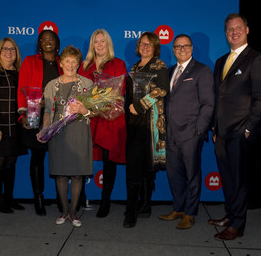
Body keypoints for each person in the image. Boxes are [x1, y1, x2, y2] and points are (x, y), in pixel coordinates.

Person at [210, 13, 261, 240]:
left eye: (238, 28)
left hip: (240, 133)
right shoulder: (220, 62)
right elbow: (219, 99)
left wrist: (248, 129)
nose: (233, 32)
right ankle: (230, 214)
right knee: (227, 178)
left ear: (247, 30)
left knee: (240, 180)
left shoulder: (257, 59)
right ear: (225, 33)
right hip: (221, 134)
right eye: (229, 29)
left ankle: (237, 225)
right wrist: (215, 129)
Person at [158, 34, 214, 229]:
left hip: (191, 133)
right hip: (170, 133)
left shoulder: (202, 71)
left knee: (192, 174)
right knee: (174, 174)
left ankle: (190, 213)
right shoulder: (170, 71)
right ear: (173, 50)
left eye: (185, 46)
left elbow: (208, 104)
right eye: (177, 47)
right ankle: (178, 208)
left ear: (192, 48)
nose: (181, 50)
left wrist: (199, 130)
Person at [37, 45, 93, 227]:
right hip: (58, 133)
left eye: (74, 62)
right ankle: (63, 211)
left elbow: (94, 112)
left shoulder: (87, 84)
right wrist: (44, 130)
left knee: (77, 175)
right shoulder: (51, 85)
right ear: (61, 63)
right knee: (60, 174)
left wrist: (85, 110)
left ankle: (74, 212)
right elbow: (46, 112)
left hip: (79, 132)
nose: (70, 65)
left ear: (79, 64)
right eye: (67, 61)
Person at [78, 29, 127, 218]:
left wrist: (98, 100)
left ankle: (105, 201)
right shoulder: (85, 66)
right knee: (82, 156)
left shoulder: (118, 63)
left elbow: (118, 92)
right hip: (88, 118)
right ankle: (79, 195)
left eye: (103, 41)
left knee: (109, 160)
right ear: (92, 45)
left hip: (110, 118)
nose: (99, 45)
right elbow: (79, 91)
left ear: (108, 44)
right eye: (96, 42)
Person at [124, 32, 169, 228]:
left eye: (149, 45)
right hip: (133, 123)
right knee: (139, 166)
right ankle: (144, 205)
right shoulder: (134, 67)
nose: (145, 47)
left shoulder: (159, 66)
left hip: (149, 124)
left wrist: (140, 106)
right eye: (142, 44)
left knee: (138, 167)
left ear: (155, 47)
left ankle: (132, 211)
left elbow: (162, 89)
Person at [17, 30, 63, 216]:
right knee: (37, 157)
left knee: (59, 158)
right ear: (39, 44)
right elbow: (21, 89)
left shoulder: (64, 62)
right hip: (35, 115)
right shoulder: (30, 61)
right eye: (43, 39)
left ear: (57, 42)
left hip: (59, 117)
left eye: (51, 38)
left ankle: (61, 198)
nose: (48, 41)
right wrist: (22, 114)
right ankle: (39, 198)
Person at [0, 37, 27, 214]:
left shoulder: (19, 72)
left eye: (12, 49)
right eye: (5, 49)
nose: (9, 52)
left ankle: (9, 198)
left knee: (11, 163)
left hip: (15, 127)